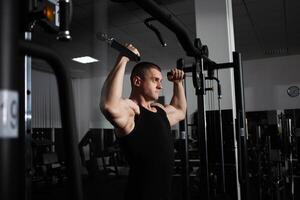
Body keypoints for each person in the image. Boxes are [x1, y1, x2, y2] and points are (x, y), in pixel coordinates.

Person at [100, 44, 186, 200]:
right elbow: (109, 105)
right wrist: (124, 58)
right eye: (155, 80)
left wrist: (178, 84)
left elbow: (180, 111)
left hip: (164, 193)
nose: (160, 85)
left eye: (160, 81)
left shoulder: (159, 110)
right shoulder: (132, 111)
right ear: (137, 81)